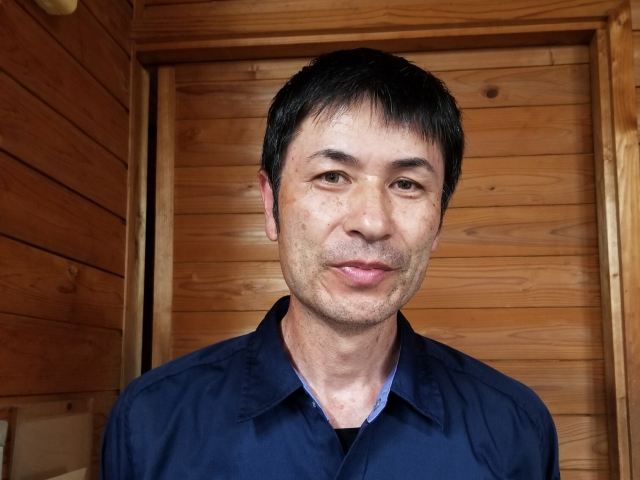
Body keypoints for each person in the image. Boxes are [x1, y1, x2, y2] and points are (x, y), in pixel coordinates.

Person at [100, 48, 560, 479]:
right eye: (332, 176)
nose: (372, 222)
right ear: (270, 205)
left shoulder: (516, 426)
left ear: (439, 219)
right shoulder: (151, 420)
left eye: (407, 184)